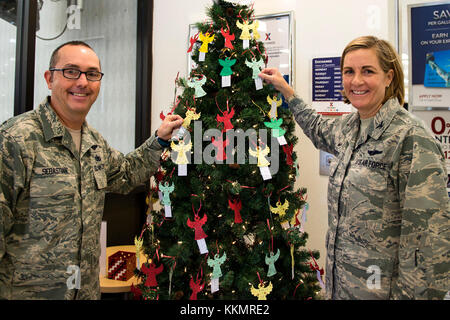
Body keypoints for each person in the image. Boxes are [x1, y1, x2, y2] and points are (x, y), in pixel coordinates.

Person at [259, 35, 449, 300]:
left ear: (389, 77)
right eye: (349, 71)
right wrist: (287, 91)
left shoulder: (411, 138)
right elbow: (317, 127)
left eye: (367, 71)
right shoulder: (350, 127)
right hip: (341, 287)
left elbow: (430, 243)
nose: (356, 81)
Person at [0, 41, 183, 299]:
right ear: (49, 78)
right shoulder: (15, 140)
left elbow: (126, 173)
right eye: (71, 71)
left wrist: (160, 140)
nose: (83, 82)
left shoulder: (93, 142)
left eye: (92, 74)